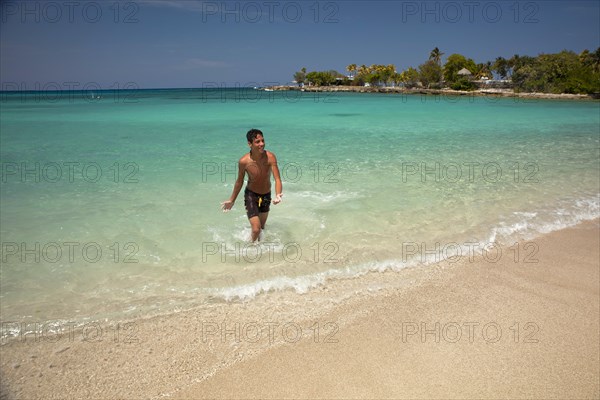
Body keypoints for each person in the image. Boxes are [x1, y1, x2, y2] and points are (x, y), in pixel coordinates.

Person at [221, 129, 283, 242]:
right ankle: (249, 250)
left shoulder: (270, 157)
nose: (262, 144)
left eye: (263, 140)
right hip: (251, 196)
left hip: (266, 195)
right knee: (256, 229)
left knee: (261, 228)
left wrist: (278, 194)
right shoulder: (244, 161)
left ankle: (260, 248)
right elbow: (239, 181)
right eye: (257, 142)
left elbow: (277, 178)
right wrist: (232, 200)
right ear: (249, 144)